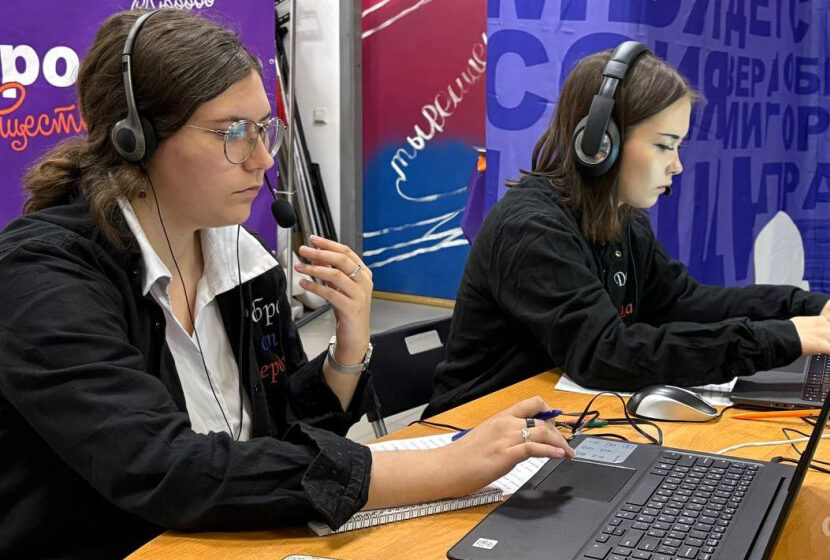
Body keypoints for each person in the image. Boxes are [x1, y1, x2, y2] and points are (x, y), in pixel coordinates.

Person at [0, 9, 574, 560]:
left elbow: (289, 435)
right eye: (233, 133)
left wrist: (348, 348)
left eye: (263, 130)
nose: (261, 159)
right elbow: (163, 468)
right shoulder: (43, 274)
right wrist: (439, 468)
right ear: (137, 139)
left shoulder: (238, 254)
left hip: (237, 537)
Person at [424, 43, 830, 418]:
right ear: (600, 144)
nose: (677, 165)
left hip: (551, 425)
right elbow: (604, 354)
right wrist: (778, 340)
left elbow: (686, 303)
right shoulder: (532, 230)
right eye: (663, 145)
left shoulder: (619, 217)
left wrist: (803, 308)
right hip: (471, 431)